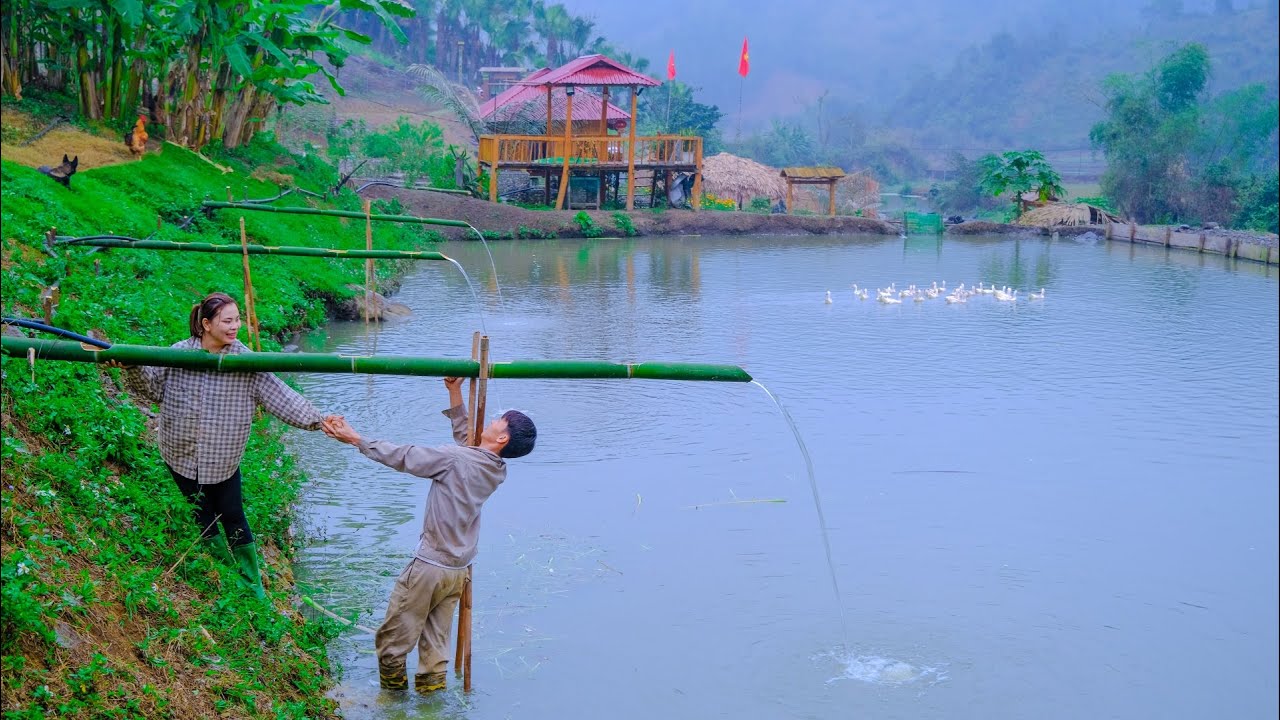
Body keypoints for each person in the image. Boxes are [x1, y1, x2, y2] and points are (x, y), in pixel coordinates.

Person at [321, 378, 537, 693]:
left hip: (429, 568)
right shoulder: (495, 469)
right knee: (435, 649)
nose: (490, 419)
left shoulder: (455, 460)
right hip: (457, 572)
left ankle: (392, 705)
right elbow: (469, 443)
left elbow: (404, 456)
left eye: (496, 420)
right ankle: (430, 709)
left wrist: (356, 439)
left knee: (392, 643)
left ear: (502, 436)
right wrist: (454, 391)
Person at [119, 292, 334, 599]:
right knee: (202, 514)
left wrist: (319, 420)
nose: (236, 327)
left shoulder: (245, 361)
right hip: (179, 452)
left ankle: (251, 585)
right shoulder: (179, 354)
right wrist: (131, 366)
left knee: (232, 515)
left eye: (238, 320)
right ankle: (224, 574)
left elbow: (282, 397)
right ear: (206, 324)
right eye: (228, 321)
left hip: (222, 458)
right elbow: (151, 390)